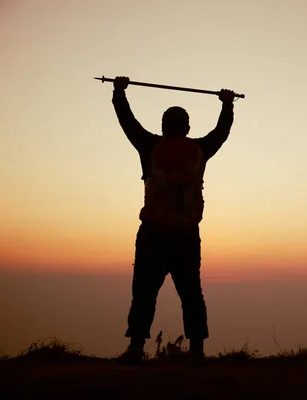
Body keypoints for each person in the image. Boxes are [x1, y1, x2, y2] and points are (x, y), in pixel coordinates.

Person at [111, 76, 235, 365]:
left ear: (164, 126)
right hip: (187, 235)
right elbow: (221, 133)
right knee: (191, 292)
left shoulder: (149, 146)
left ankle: (135, 349)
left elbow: (127, 123)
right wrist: (227, 105)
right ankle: (197, 351)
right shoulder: (200, 150)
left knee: (144, 292)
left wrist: (119, 92)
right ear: (188, 128)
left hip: (153, 234)